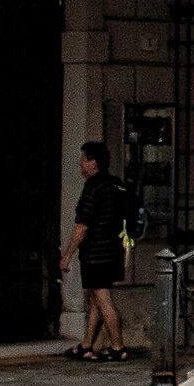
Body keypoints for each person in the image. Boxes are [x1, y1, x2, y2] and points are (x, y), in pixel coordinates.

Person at [60, 141, 132, 362]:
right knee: (95, 299)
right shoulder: (116, 185)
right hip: (114, 250)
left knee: (102, 298)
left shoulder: (93, 187)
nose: (81, 164)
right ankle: (87, 344)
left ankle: (118, 346)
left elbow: (82, 225)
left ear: (93, 162)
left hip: (96, 253)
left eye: (83, 160)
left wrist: (67, 254)